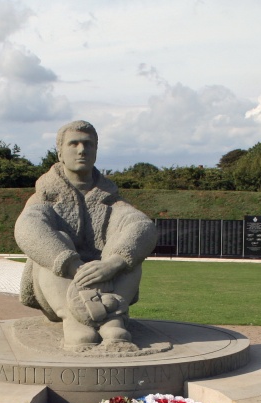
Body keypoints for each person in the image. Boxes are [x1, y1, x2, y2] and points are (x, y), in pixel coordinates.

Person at [15, 121, 157, 351]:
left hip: (110, 291)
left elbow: (140, 225)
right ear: (60, 152)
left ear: (96, 151)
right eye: (74, 144)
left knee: (128, 250)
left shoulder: (110, 199)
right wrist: (74, 266)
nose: (82, 150)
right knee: (54, 241)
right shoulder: (44, 196)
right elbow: (28, 227)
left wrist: (113, 263)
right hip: (58, 291)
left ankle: (112, 319)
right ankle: (74, 319)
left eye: (88, 144)